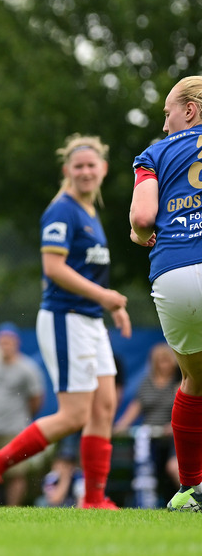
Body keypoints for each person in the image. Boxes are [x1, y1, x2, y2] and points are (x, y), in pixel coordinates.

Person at [0, 134, 132, 509]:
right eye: (78, 166)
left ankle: (93, 499)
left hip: (90, 319)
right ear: (67, 171)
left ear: (103, 169)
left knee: (104, 407)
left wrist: (112, 306)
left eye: (91, 165)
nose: (85, 171)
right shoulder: (62, 210)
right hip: (66, 319)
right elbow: (53, 268)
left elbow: (90, 273)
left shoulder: (90, 212)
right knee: (75, 415)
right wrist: (104, 297)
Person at [129, 76, 202, 511]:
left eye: (168, 112)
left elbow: (143, 218)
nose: (164, 124)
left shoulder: (153, 155)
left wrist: (139, 236)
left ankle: (189, 490)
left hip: (174, 274)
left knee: (194, 380)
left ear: (190, 110)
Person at [0, 326, 44, 506]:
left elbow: (36, 398)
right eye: (2, 342)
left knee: (16, 472)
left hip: (15, 428)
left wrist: (24, 418)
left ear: (16, 343)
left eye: (8, 342)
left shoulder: (27, 368)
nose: (5, 346)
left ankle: (13, 508)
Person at [114, 343, 180, 506]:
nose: (164, 365)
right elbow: (135, 408)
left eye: (167, 361)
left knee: (173, 467)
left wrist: (173, 425)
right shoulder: (146, 383)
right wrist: (120, 427)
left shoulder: (179, 383)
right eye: (160, 361)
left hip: (173, 436)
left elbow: (184, 411)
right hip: (149, 437)